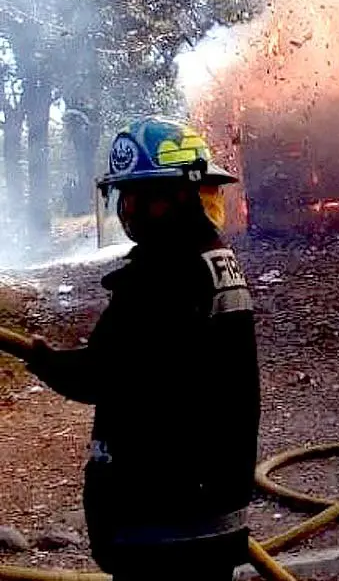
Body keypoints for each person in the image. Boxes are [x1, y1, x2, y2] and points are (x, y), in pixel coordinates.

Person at [19, 117, 260, 580]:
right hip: (209, 510)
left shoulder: (162, 276)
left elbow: (102, 375)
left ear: (163, 199)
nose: (125, 210)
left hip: (164, 518)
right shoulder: (213, 257)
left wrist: (46, 362)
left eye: (132, 197)